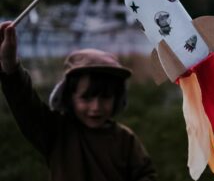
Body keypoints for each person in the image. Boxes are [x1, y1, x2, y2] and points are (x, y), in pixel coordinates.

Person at [0, 21, 157, 181]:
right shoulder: (55, 131)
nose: (96, 107)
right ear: (69, 97)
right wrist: (10, 65)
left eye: (105, 97)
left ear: (117, 98)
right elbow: (25, 104)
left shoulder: (125, 140)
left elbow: (145, 175)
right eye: (86, 98)